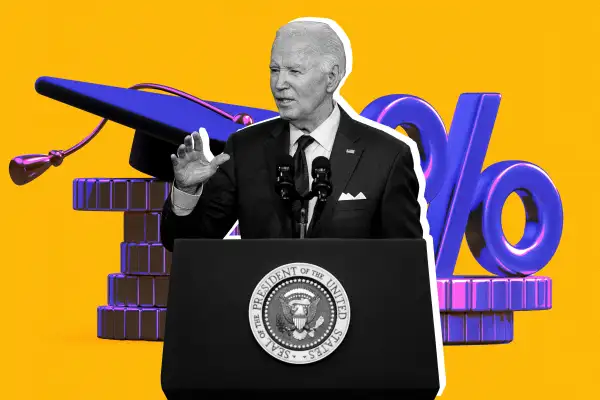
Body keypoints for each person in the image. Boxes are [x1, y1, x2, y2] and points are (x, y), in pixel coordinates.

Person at [160, 18, 424, 252]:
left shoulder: (386, 156)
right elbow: (187, 244)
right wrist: (186, 191)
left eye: (294, 71)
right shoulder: (244, 149)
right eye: (274, 70)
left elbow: (407, 267)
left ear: (331, 77)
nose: (279, 84)